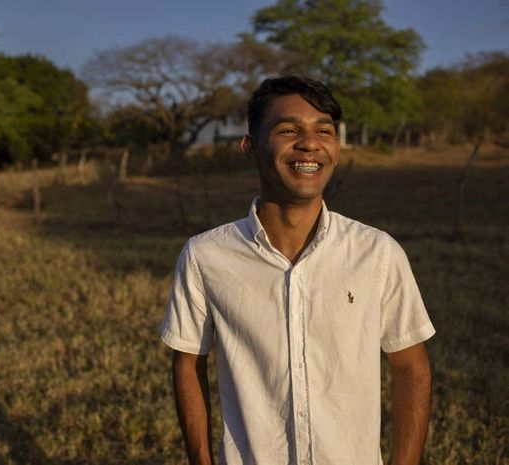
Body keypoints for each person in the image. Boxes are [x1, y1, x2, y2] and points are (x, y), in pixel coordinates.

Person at [160, 76, 435, 465]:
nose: (310, 143)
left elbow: (411, 367)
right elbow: (188, 362)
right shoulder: (206, 256)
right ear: (250, 147)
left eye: (324, 131)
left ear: (336, 149)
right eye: (289, 130)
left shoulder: (377, 253)